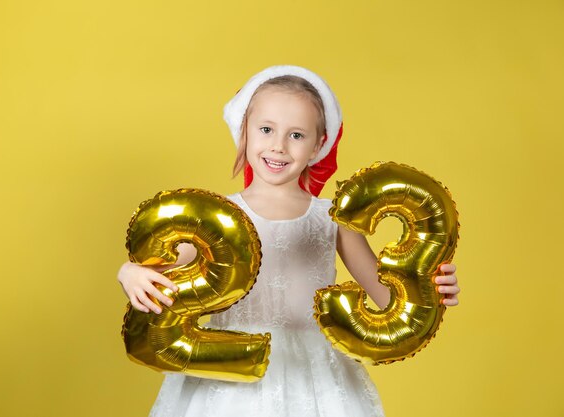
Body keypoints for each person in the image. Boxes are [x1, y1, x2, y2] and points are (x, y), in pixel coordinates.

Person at [117, 65, 461, 417]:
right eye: (266, 129)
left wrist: (430, 291)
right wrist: (129, 273)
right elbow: (160, 270)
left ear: (318, 145)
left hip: (314, 378)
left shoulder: (333, 218)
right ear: (245, 133)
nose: (278, 147)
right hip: (229, 372)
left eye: (297, 135)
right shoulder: (217, 219)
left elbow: (388, 297)